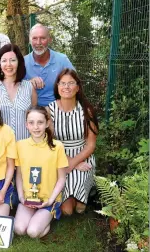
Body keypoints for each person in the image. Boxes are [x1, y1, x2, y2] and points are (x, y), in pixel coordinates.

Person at [48, 68, 98, 215]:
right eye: (62, 83)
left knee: (79, 208)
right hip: (59, 156)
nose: (66, 87)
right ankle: (72, 199)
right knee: (67, 211)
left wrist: (75, 162)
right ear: (57, 86)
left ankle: (84, 196)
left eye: (71, 83)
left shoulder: (86, 111)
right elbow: (49, 142)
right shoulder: (49, 111)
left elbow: (91, 144)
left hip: (83, 154)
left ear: (77, 87)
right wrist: (69, 162)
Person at [14, 106, 68, 238]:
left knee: (32, 232)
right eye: (31, 123)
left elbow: (61, 178)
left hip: (47, 200)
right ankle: (36, 217)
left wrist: (50, 200)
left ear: (47, 123)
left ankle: (49, 215)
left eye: (40, 122)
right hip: (28, 198)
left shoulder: (57, 146)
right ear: (26, 125)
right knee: (19, 229)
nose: (36, 127)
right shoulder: (20, 145)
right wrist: (21, 197)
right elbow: (19, 175)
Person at [0, 44, 37, 141]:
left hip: (25, 147)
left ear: (19, 62)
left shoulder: (29, 87)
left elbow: (34, 118)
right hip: (1, 148)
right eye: (4, 61)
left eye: (12, 60)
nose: (8, 64)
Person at [24, 24, 74, 107]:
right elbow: (14, 88)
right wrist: (27, 84)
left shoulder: (62, 60)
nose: (38, 42)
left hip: (59, 108)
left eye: (42, 38)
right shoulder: (22, 62)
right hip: (31, 110)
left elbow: (75, 83)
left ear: (49, 39)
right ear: (29, 41)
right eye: (34, 38)